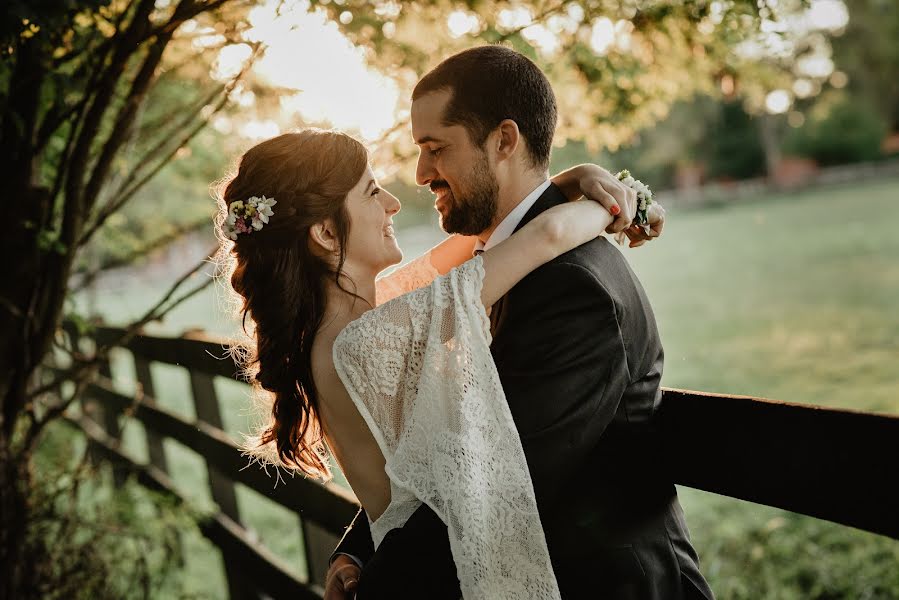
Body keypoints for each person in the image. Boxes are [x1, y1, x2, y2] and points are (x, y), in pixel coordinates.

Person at [326, 46, 714, 600]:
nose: (420, 174)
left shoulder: (573, 288)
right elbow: (440, 445)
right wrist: (361, 545)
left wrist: (381, 584)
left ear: (504, 140)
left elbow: (488, 478)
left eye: (436, 149)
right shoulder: (493, 265)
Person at [216, 128, 652, 598]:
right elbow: (545, 234)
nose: (392, 203)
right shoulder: (370, 338)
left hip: (410, 561)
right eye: (370, 192)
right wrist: (624, 204)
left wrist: (576, 179)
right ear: (325, 233)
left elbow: (474, 245)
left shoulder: (350, 327)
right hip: (439, 574)